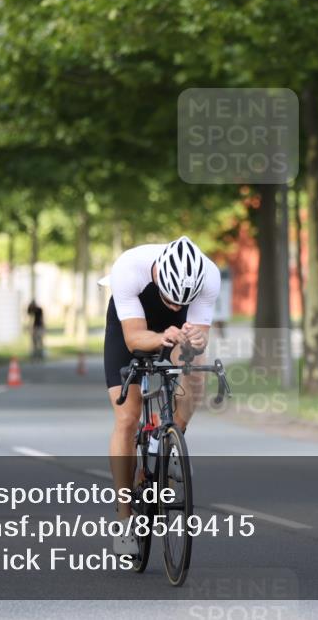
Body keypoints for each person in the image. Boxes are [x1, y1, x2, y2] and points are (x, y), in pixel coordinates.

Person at [102, 236, 220, 555]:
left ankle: (170, 437)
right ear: (157, 277)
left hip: (177, 329)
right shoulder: (129, 268)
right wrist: (161, 337)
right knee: (127, 415)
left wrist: (195, 338)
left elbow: (200, 339)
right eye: (170, 300)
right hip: (133, 323)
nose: (175, 307)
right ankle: (125, 521)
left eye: (181, 303)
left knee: (195, 365)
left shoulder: (208, 276)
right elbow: (133, 340)